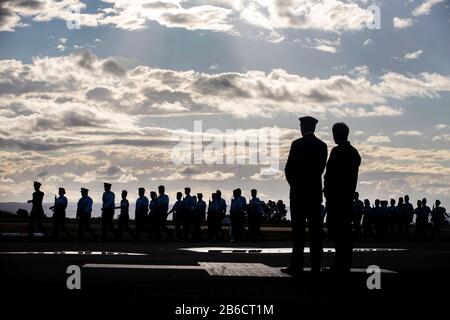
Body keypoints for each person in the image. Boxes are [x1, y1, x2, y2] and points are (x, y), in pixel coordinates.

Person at [282, 116, 327, 276]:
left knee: (298, 233)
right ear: (313, 128)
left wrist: (295, 185)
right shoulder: (322, 146)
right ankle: (316, 266)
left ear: (302, 127)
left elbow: (288, 169)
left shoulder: (297, 145)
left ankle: (296, 266)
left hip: (298, 195)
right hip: (314, 194)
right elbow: (320, 170)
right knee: (316, 233)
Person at [324, 122, 361, 274]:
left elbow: (329, 174)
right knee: (345, 232)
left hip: (336, 198)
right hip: (347, 198)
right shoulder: (354, 153)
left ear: (335, 134)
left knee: (338, 233)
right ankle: (344, 264)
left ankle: (339, 265)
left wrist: (327, 192)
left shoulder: (337, 151)